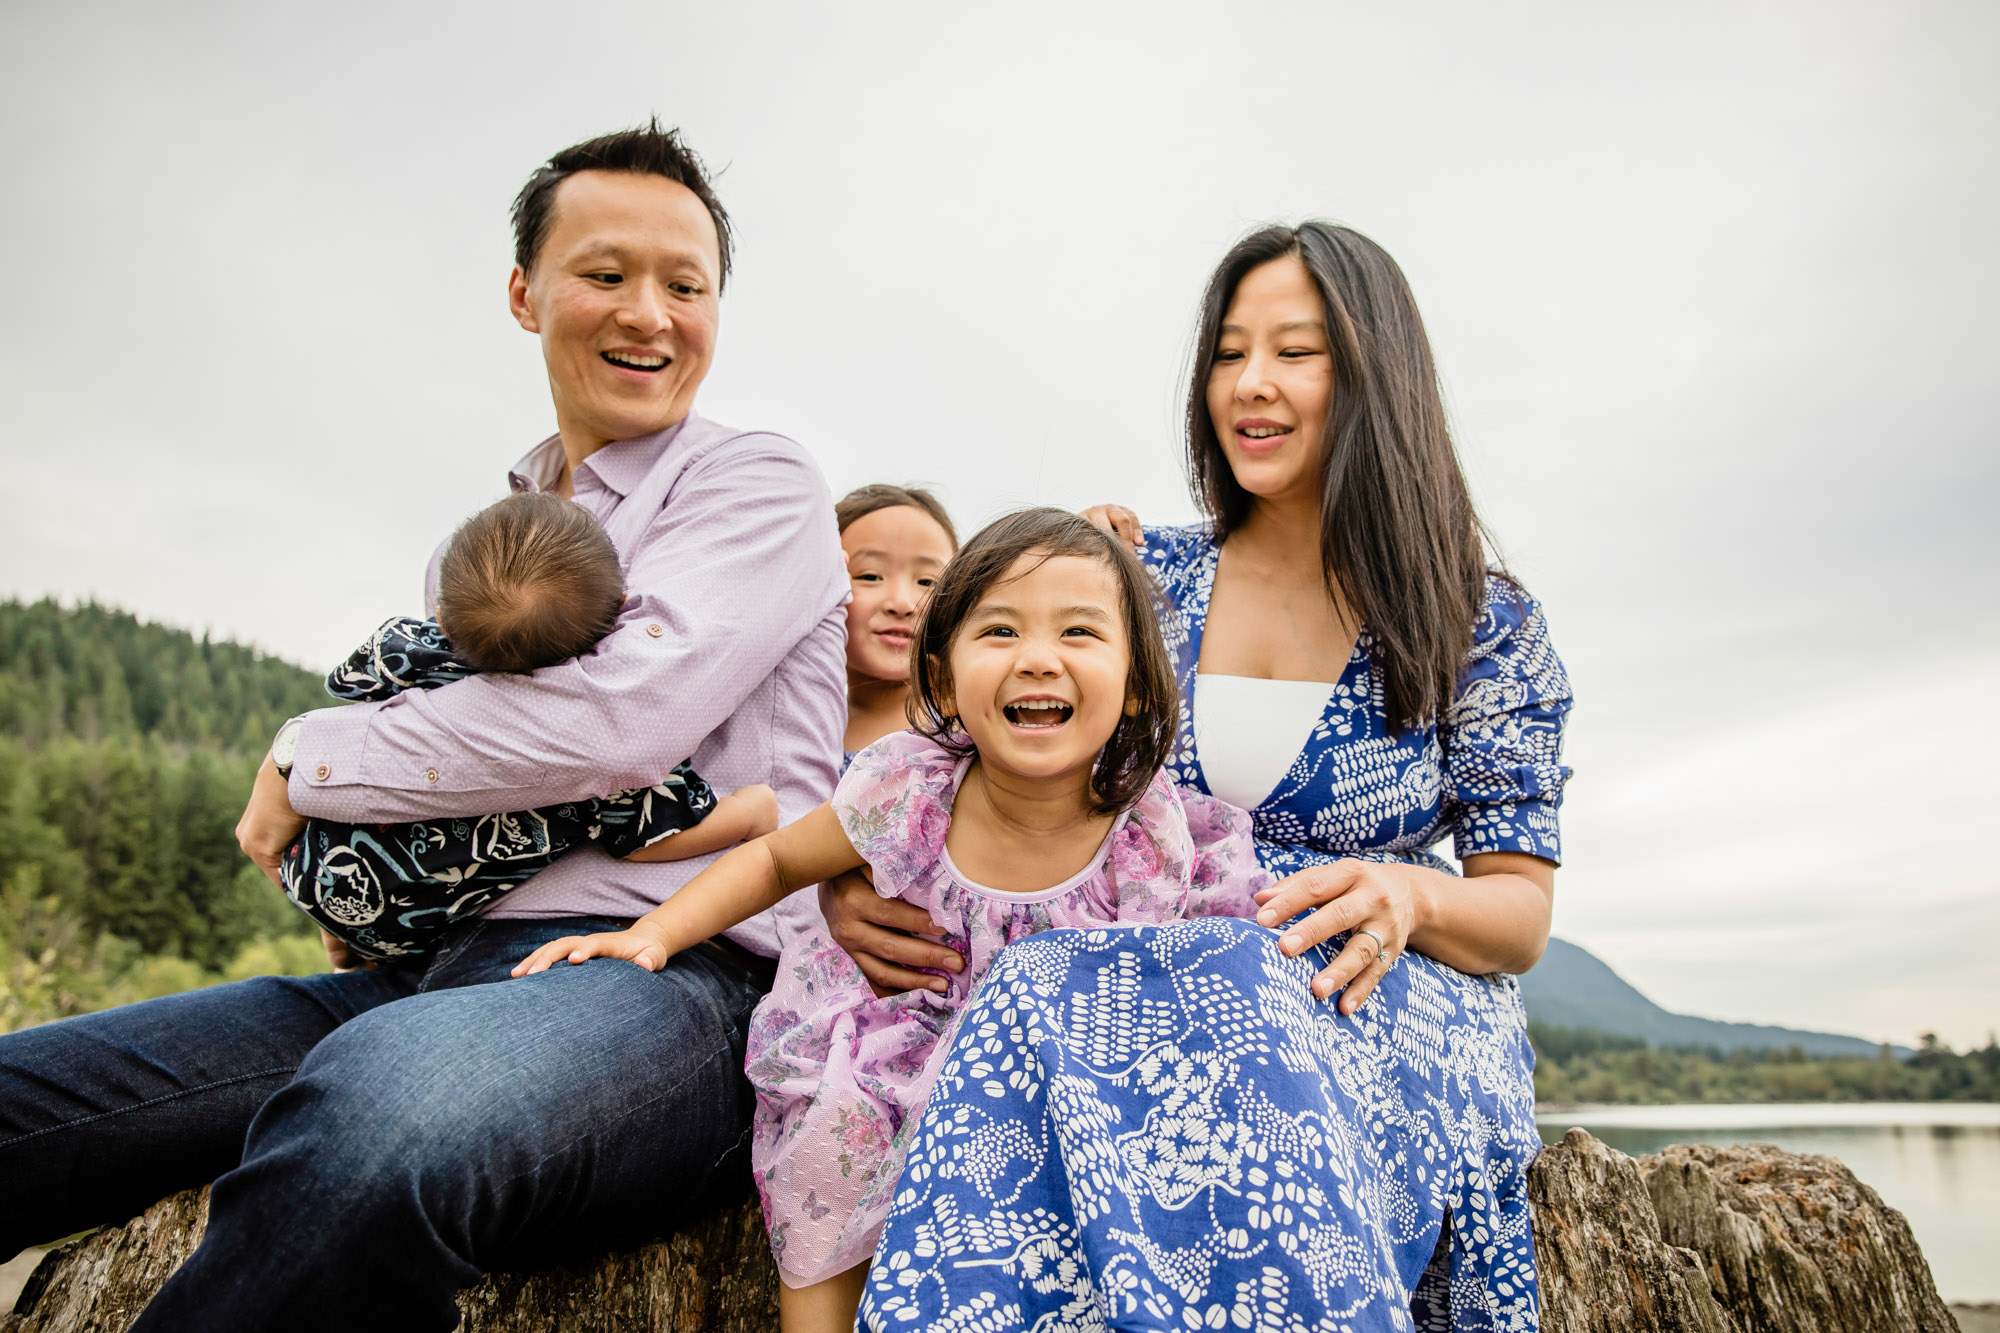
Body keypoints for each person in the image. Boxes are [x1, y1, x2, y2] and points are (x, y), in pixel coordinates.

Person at [0, 122, 850, 1331]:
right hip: (429, 973)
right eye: (605, 274)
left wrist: (310, 755)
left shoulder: (754, 481)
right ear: (524, 293)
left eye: (685, 285)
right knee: (26, 1096)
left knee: (385, 1116)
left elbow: (615, 722)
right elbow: (465, 741)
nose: (648, 314)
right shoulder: (511, 524)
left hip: (667, 977)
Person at [823, 223, 1574, 1331]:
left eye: (1295, 351)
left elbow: (1518, 913)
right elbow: (965, 767)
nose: (1250, 385)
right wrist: (858, 881)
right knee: (1043, 996)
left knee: (1173, 983)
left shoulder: (1478, 618)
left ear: (1378, 375)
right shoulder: (1137, 579)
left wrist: (1407, 894)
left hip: (1370, 985)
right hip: (1123, 974)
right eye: (1227, 353)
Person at [514, 508, 1276, 1333]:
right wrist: (653, 934)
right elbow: (774, 861)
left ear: (1134, 683)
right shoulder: (910, 791)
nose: (1037, 658)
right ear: (944, 682)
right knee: (830, 1141)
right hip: (897, 1033)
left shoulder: (1145, 830)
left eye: (1080, 631)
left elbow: (1194, 962)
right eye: (1000, 630)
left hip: (1061, 1059)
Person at [282, 491, 778, 962]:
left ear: (443, 620)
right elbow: (646, 842)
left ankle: (338, 928)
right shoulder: (589, 745)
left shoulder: (404, 650)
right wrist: (747, 813)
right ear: (618, 617)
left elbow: (345, 684)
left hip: (309, 867)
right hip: (403, 929)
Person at [834, 483, 958, 758]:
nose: (902, 603)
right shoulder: (797, 731)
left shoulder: (968, 733)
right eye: (870, 576)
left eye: (927, 581)